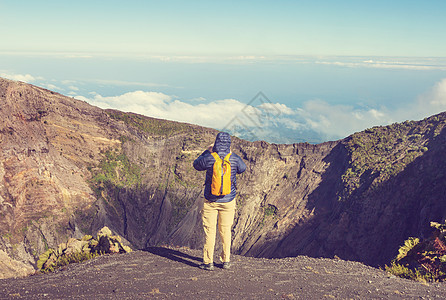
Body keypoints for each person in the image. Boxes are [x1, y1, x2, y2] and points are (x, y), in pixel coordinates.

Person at [193, 132, 247, 271]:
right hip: (228, 201)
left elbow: (196, 165)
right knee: (225, 231)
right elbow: (243, 168)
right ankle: (226, 260)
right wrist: (231, 154)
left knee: (210, 231)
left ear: (216, 142)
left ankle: (208, 262)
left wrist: (207, 151)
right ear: (229, 144)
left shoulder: (210, 158)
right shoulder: (233, 158)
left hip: (210, 201)